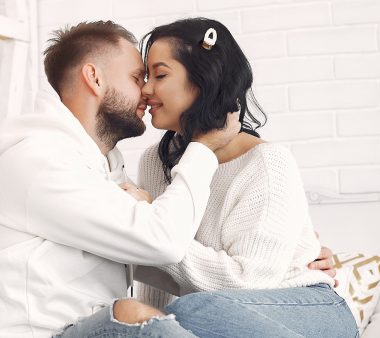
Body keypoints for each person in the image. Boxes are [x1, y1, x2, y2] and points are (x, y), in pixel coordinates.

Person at [0, 20, 241, 338]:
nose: (147, 92)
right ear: (94, 78)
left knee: (210, 316)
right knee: (133, 315)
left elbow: (162, 259)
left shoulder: (100, 165)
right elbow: (163, 241)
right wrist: (203, 149)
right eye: (138, 78)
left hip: (83, 328)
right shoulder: (40, 161)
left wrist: (292, 263)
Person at [132, 18, 358, 337]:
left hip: (309, 309)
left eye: (160, 74)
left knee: (190, 311)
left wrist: (154, 229)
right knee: (156, 320)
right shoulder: (155, 162)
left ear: (203, 79)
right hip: (218, 314)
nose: (145, 89)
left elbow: (248, 283)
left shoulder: (267, 163)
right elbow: (157, 275)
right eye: (145, 76)